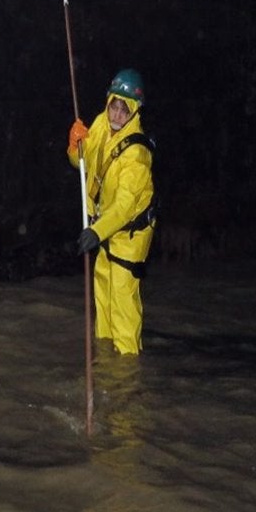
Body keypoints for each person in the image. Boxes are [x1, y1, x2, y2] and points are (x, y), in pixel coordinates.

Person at [67, 68, 156, 356]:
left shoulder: (137, 155)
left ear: (134, 111)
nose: (117, 114)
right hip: (104, 227)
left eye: (124, 109)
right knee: (103, 298)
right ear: (108, 102)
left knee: (122, 303)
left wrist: (96, 231)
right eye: (114, 106)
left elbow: (125, 207)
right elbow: (82, 162)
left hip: (128, 236)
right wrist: (75, 145)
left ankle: (127, 369)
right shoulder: (101, 123)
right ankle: (106, 362)